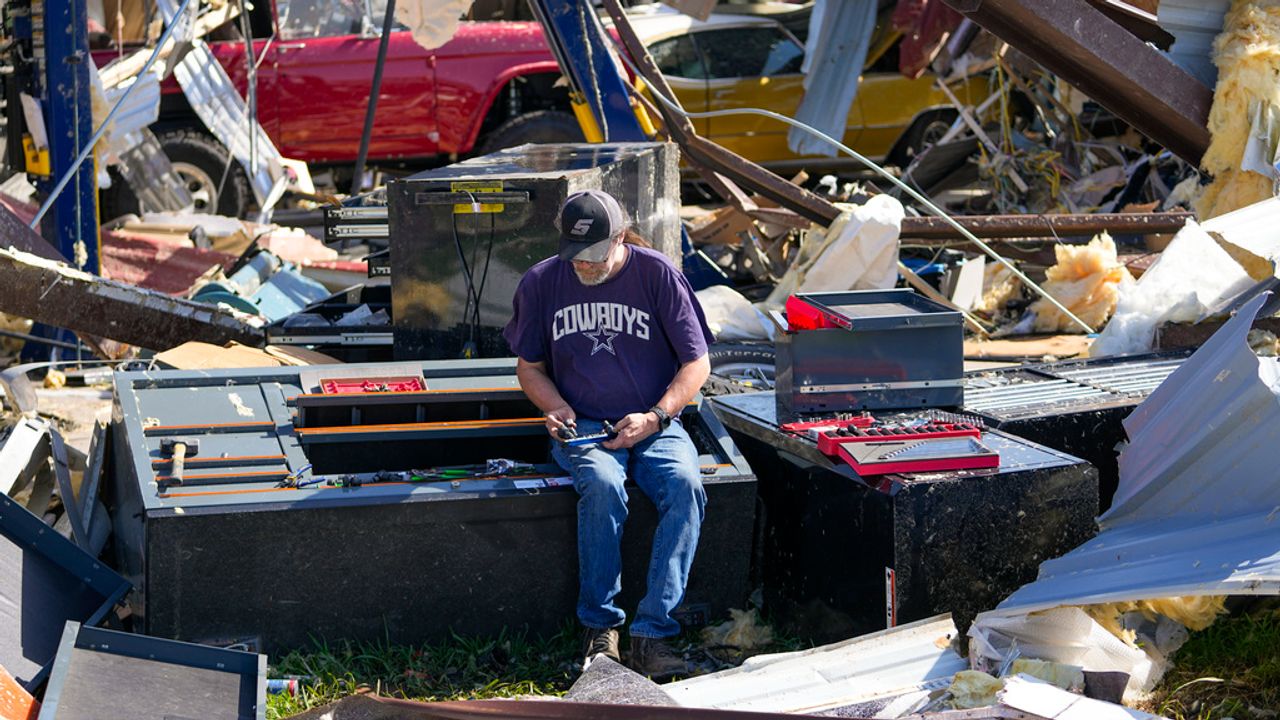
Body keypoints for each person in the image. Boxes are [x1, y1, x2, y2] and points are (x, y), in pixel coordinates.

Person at [503, 189, 713, 678]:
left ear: (620, 238)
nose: (583, 264)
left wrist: (656, 416)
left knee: (686, 486)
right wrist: (554, 406)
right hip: (584, 423)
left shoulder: (658, 274)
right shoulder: (542, 281)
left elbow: (697, 363)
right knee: (601, 485)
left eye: (594, 254)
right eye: (574, 254)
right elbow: (529, 367)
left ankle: (653, 634)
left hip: (655, 419)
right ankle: (600, 630)